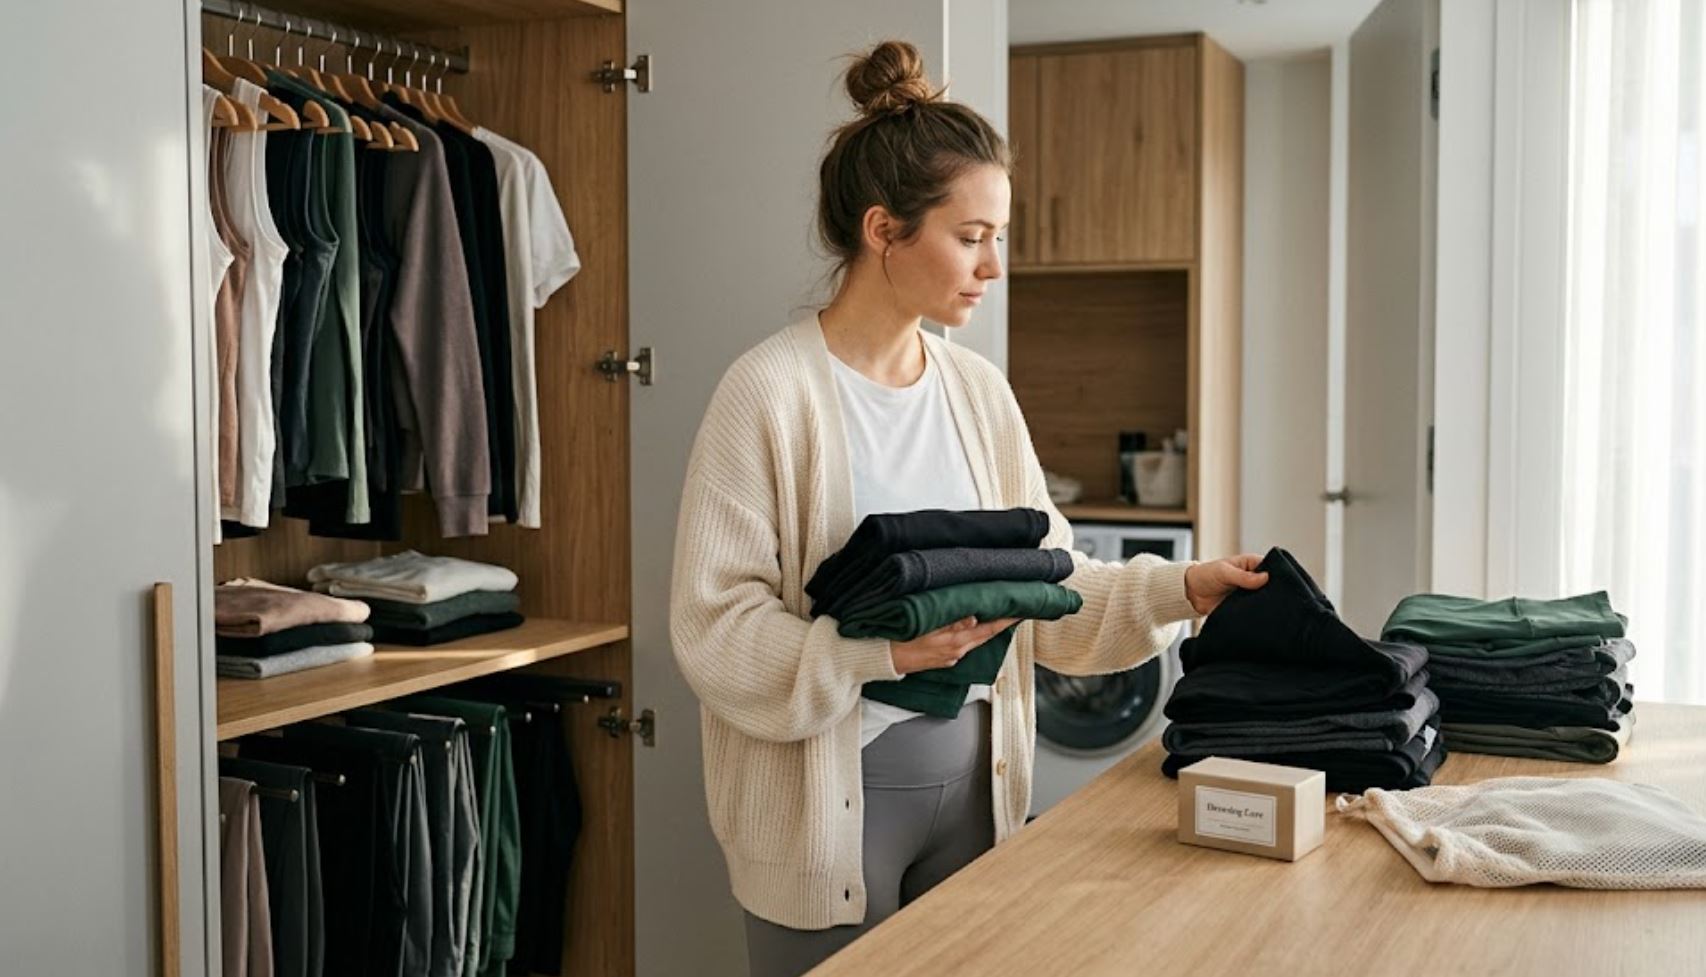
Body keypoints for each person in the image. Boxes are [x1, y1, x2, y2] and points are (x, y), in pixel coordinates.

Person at [668, 39, 1268, 977]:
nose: (992, 266)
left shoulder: (980, 394)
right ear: (884, 229)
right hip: (830, 804)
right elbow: (714, 629)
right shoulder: (768, 394)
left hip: (984, 785)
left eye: (1000, 237)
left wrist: (1182, 588)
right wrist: (882, 652)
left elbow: (1053, 588)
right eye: (971, 235)